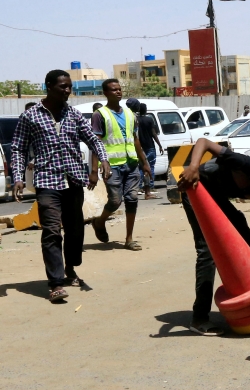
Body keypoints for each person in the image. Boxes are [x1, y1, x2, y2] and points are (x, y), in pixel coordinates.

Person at [10, 70, 110, 302]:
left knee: (75, 230)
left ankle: (71, 268)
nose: (68, 91)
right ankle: (55, 283)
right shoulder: (31, 116)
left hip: (74, 180)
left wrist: (103, 158)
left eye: (69, 86)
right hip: (47, 181)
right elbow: (18, 148)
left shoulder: (73, 114)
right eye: (63, 86)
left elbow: (92, 138)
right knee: (52, 230)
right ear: (49, 86)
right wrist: (17, 177)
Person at [177, 138, 250, 335]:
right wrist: (193, 167)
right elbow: (204, 142)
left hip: (216, 197)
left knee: (247, 240)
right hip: (195, 189)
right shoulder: (246, 164)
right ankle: (199, 317)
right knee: (207, 251)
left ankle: (242, 292)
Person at [90, 79, 151, 251]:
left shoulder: (130, 114)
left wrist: (144, 162)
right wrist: (94, 170)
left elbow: (135, 139)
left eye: (119, 89)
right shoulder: (100, 114)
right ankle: (100, 221)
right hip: (112, 165)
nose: (118, 92)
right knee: (115, 201)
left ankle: (129, 238)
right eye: (113, 90)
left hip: (131, 164)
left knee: (132, 199)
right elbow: (95, 143)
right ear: (106, 93)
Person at [133, 101, 163, 199]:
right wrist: (159, 145)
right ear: (145, 110)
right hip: (150, 146)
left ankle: (140, 186)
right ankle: (150, 186)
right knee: (151, 167)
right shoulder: (149, 120)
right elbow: (153, 133)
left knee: (141, 167)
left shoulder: (135, 119)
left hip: (139, 147)